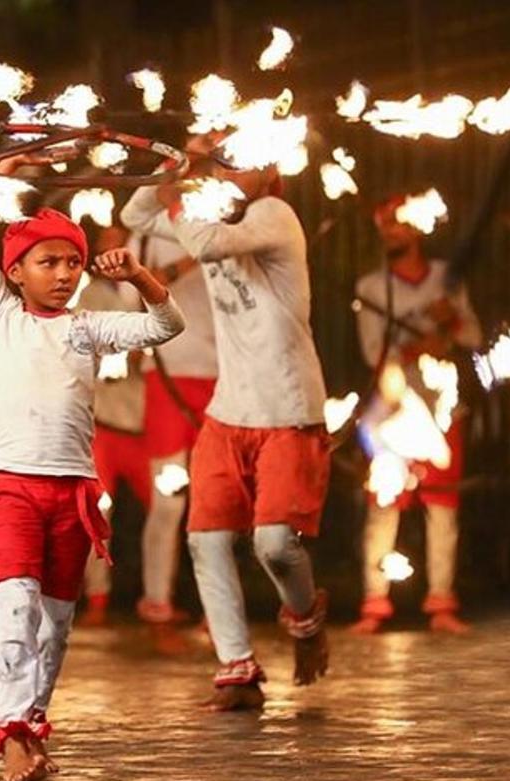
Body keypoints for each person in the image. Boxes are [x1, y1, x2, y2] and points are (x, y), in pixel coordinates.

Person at [0, 155, 184, 781]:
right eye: (46, 262)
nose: (62, 274)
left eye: (70, 263)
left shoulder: (89, 329)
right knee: (15, 605)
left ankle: (32, 726)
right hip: (10, 485)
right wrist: (3, 179)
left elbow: (169, 324)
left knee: (56, 626)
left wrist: (139, 274)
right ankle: (9, 735)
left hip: (75, 493)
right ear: (14, 272)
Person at [122, 141, 331, 712]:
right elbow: (132, 216)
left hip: (288, 409)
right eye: (225, 160)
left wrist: (178, 192)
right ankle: (236, 669)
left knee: (276, 547)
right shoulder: (199, 210)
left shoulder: (273, 215)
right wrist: (176, 167)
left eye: (245, 160)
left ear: (270, 170)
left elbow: (206, 241)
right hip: (228, 410)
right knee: (204, 539)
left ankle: (306, 622)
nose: (233, 170)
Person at [351, 195, 482, 635]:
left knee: (442, 504)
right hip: (393, 412)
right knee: (384, 504)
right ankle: (374, 602)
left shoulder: (447, 279)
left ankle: (441, 603)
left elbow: (473, 335)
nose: (389, 232)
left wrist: (451, 322)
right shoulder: (371, 287)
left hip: (443, 410)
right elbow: (374, 353)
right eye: (383, 225)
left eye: (396, 224)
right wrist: (418, 345)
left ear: (415, 229)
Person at [133, 233, 218, 644]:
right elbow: (135, 296)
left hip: (219, 374)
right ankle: (157, 601)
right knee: (168, 500)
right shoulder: (145, 231)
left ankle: (216, 607)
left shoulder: (222, 219)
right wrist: (188, 260)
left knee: (216, 497)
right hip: (165, 375)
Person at [75, 224, 152, 627]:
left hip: (147, 426)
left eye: (119, 244)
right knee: (96, 514)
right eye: (105, 247)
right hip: (105, 425)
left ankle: (162, 597)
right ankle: (98, 599)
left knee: (166, 512)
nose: (112, 254)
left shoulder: (150, 290)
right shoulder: (89, 297)